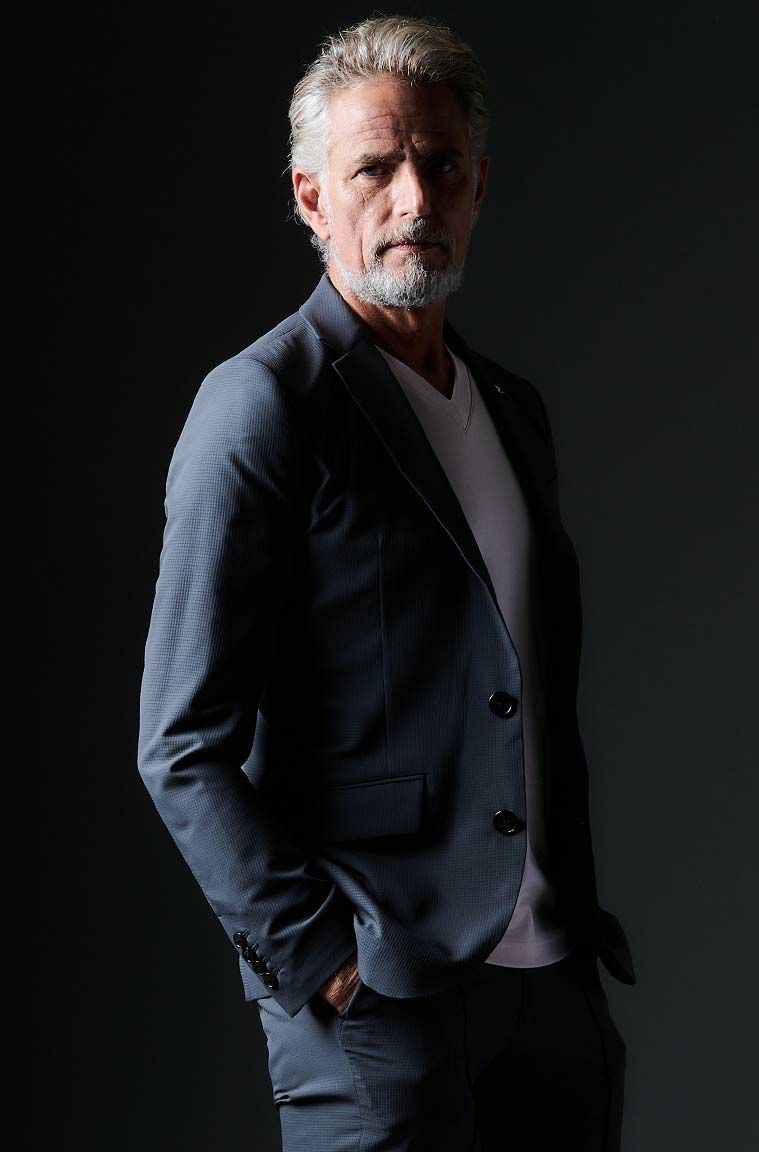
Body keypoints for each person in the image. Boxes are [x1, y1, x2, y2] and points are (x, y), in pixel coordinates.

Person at [138, 14, 637, 1151]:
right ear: (313, 197)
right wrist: (319, 962)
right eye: (376, 168)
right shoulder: (264, 405)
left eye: (442, 165)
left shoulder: (511, 408)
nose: (415, 197)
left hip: (551, 989)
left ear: (479, 187)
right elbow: (179, 744)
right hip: (381, 1001)